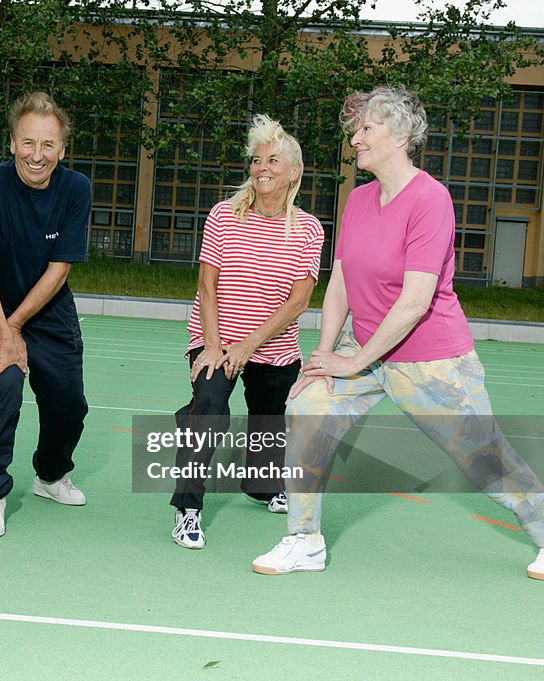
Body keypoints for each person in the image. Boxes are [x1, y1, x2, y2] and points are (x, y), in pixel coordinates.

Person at [252, 85, 544, 581]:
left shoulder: (431, 200)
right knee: (306, 408)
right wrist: (323, 356)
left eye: (366, 128)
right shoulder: (360, 200)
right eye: (354, 129)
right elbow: (340, 282)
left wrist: (352, 360)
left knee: (484, 460)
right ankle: (303, 541)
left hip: (430, 358)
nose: (355, 138)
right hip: (362, 349)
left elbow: (414, 302)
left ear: (402, 134)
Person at [168, 115, 324, 550]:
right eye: (256, 160)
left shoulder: (309, 229)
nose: (262, 168)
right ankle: (187, 510)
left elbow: (298, 302)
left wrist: (248, 346)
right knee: (211, 406)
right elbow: (207, 283)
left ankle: (261, 485)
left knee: (269, 423)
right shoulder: (223, 215)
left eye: (273, 160)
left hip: (271, 346)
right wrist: (216, 346)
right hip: (216, 337)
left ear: (294, 171)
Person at [0, 91, 92, 538]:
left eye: (48, 145)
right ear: (12, 143)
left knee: (69, 404)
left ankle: (50, 476)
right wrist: (3, 332)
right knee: (6, 384)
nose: (37, 155)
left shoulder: (75, 189)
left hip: (49, 310)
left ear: (62, 151)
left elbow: (60, 269)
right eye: (28, 143)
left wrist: (16, 329)